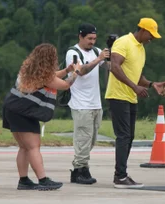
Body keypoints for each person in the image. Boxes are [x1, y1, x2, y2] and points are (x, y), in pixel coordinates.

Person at [2, 43, 81, 190]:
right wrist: (75, 73)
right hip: (23, 112)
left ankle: (24, 181)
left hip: (12, 108)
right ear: (50, 59)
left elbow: (51, 77)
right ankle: (43, 180)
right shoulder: (44, 76)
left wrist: (66, 70)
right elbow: (64, 85)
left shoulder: (30, 69)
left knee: (24, 147)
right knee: (33, 147)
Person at [105, 17, 165, 189]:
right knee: (123, 136)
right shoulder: (123, 42)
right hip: (118, 96)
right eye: (151, 35)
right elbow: (115, 67)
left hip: (130, 97)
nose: (152, 39)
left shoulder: (141, 49)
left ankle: (122, 174)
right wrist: (135, 87)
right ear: (142, 30)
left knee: (129, 136)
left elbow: (137, 75)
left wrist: (152, 84)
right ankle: (120, 176)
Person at [67, 23, 110, 185]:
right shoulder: (73, 52)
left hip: (95, 102)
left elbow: (110, 68)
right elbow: (81, 71)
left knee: (91, 140)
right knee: (82, 139)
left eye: (94, 39)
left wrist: (111, 56)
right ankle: (79, 170)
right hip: (80, 103)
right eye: (89, 38)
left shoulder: (97, 51)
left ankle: (81, 167)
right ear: (80, 36)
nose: (92, 42)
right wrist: (98, 59)